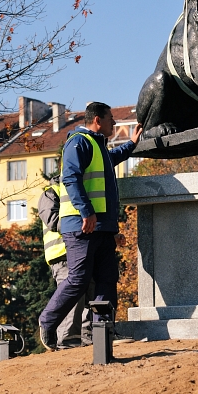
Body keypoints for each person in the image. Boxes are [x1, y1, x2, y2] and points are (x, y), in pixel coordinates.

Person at [38, 102, 142, 351]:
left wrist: (132, 145)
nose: (114, 124)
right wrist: (87, 212)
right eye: (111, 119)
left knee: (107, 279)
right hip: (82, 226)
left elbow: (112, 158)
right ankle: (48, 321)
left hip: (102, 227)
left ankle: (102, 332)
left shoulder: (97, 146)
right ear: (97, 120)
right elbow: (71, 178)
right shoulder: (78, 142)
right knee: (78, 279)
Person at [38, 181, 93, 348]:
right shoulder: (51, 192)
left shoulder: (81, 190)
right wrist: (80, 226)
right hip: (61, 254)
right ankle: (68, 340)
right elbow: (52, 220)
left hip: (81, 252)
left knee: (89, 293)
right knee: (72, 297)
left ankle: (87, 338)